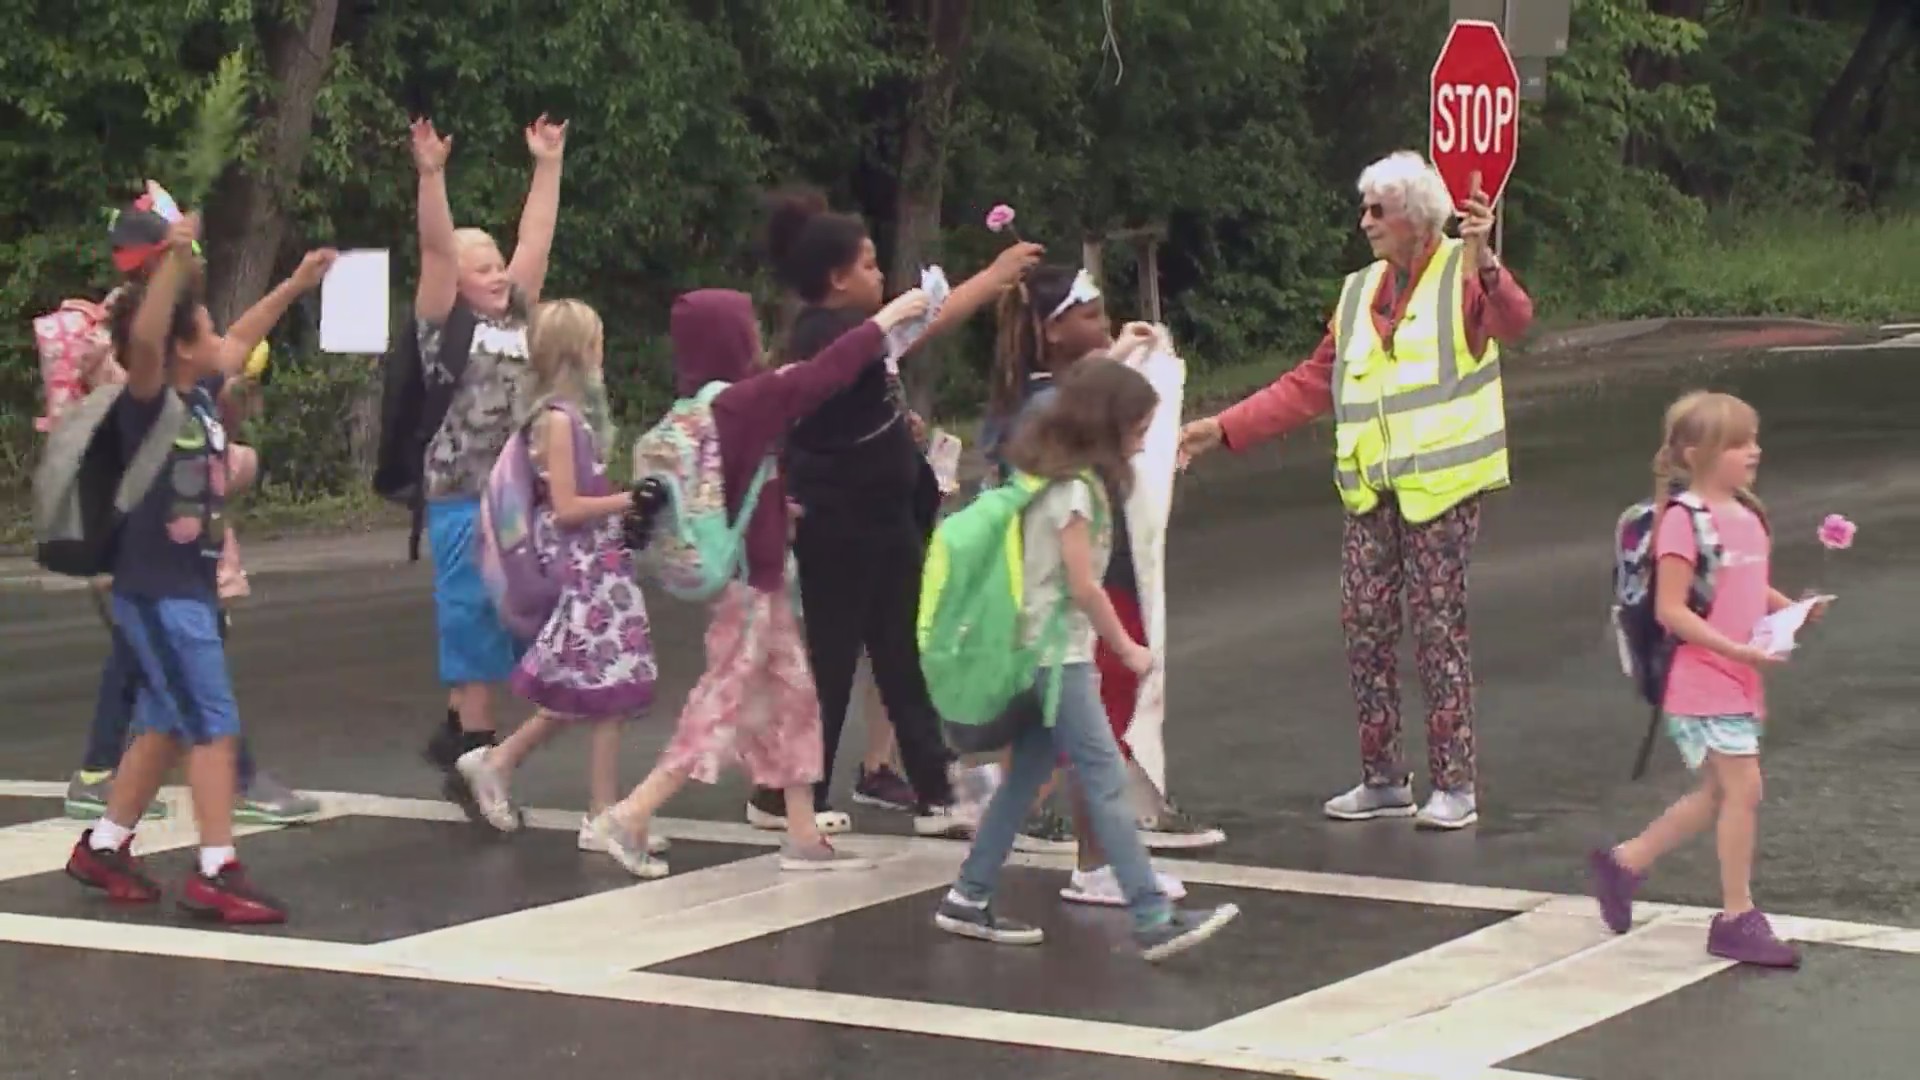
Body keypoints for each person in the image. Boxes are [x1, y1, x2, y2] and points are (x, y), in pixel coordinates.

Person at [1179, 150, 1534, 830]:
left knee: (1437, 632)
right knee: (1364, 628)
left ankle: (1454, 784)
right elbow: (1309, 384)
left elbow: (1513, 321)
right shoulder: (1357, 294)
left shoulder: (1461, 280)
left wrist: (1486, 259)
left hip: (1442, 492)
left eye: (1379, 210)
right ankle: (1382, 779)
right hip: (1371, 494)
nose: (1365, 221)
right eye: (1365, 208)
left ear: (1419, 221)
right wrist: (1220, 430)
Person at [590, 286, 932, 876]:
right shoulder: (742, 403)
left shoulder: (701, 407)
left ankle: (803, 835)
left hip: (755, 581)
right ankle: (630, 814)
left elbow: (740, 482)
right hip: (749, 586)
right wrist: (884, 323)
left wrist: (776, 512)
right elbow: (822, 374)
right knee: (722, 704)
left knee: (796, 701)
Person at [747, 188, 1041, 838]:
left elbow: (905, 340)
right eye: (872, 265)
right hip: (839, 522)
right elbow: (917, 327)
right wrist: (988, 280)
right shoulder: (827, 337)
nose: (882, 277)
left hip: (883, 516)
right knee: (832, 657)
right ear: (837, 278)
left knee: (904, 652)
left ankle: (937, 790)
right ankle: (793, 793)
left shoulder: (856, 334)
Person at [64, 214, 322, 923]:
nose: (224, 343)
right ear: (179, 348)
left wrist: (296, 285)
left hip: (186, 588)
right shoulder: (149, 399)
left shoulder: (200, 394)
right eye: (206, 332)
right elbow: (145, 335)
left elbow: (240, 337)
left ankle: (105, 844)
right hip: (157, 592)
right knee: (211, 721)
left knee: (167, 722)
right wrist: (176, 257)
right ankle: (217, 869)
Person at [933, 360, 1238, 961]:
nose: (1143, 440)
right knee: (1103, 779)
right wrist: (1125, 647)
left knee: (1025, 779)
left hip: (1035, 652)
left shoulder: (1046, 476)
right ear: (1107, 427)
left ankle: (968, 895)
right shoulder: (1074, 491)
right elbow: (1081, 586)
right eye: (1136, 428)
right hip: (1057, 658)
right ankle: (1153, 916)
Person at [978, 264, 1203, 903]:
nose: (1103, 325)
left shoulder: (1038, 398)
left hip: (1071, 590)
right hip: (1084, 589)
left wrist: (1124, 353)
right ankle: (1103, 867)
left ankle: (979, 878)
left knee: (1058, 748)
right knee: (1095, 740)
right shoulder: (1055, 416)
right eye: (1090, 316)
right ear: (1052, 331)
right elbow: (1095, 417)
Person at [1589, 392, 1818, 968]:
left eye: (1753, 439)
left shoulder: (1748, 516)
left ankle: (1624, 864)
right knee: (1743, 789)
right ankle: (1737, 918)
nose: (1753, 451)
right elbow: (1673, 609)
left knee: (1719, 792)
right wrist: (1735, 648)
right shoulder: (1682, 523)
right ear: (1696, 453)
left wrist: (1790, 609)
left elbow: (1744, 586)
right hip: (1698, 679)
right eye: (1738, 444)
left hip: (1739, 676)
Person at [451, 300, 662, 862]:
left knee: (591, 690)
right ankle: (595, 812)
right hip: (585, 569)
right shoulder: (561, 422)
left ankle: (506, 767)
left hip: (594, 564)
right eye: (596, 342)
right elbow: (567, 506)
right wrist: (631, 498)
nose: (602, 352)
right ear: (578, 352)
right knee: (604, 691)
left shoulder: (561, 417)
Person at [408, 115, 568, 808]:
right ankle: (476, 755)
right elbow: (437, 252)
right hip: (457, 492)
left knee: (511, 613)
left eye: (497, 262)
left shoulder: (515, 315)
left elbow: (536, 240)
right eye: (483, 265)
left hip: (512, 496)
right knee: (472, 614)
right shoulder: (443, 320)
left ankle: (457, 731)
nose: (498, 271)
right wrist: (432, 175)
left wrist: (547, 163)